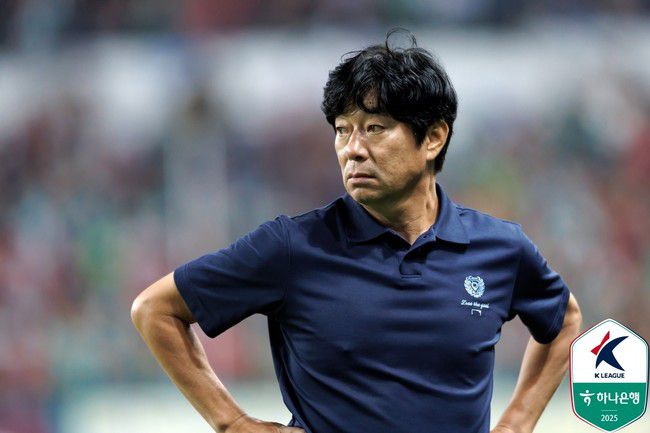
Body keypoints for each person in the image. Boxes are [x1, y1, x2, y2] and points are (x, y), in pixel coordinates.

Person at [131, 30, 582, 433]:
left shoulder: (499, 247)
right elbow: (154, 310)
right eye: (343, 130)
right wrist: (231, 422)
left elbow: (564, 321)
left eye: (374, 129)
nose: (352, 149)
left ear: (433, 138)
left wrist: (517, 423)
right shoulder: (293, 247)